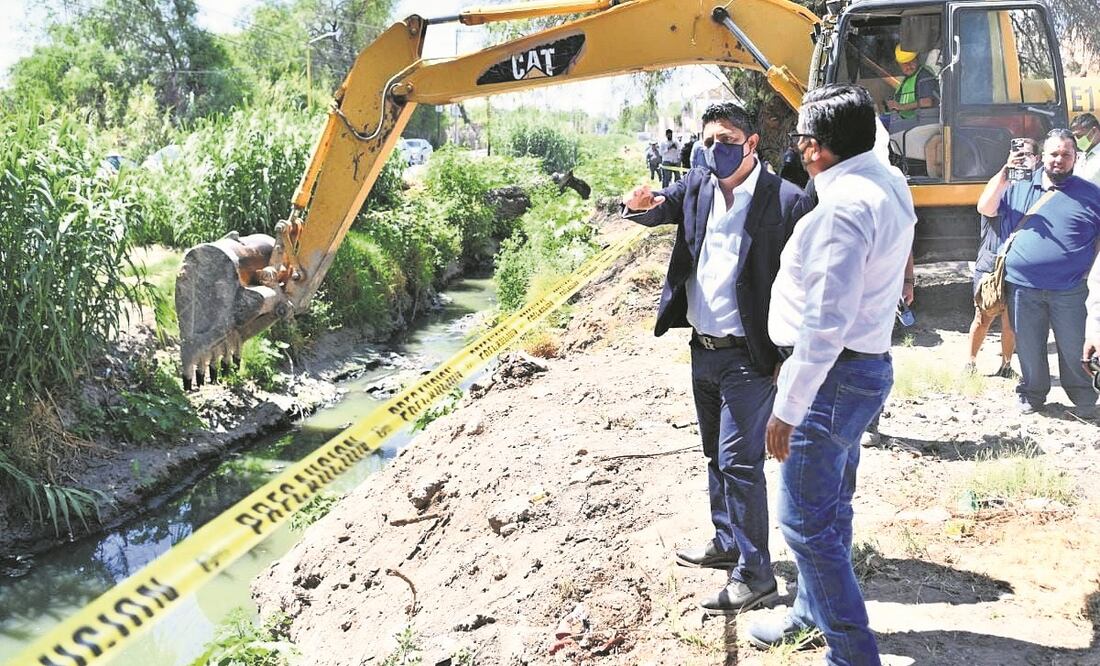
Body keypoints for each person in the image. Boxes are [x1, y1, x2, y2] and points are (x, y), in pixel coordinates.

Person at [620, 102, 813, 616]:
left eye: (726, 139)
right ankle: (727, 541)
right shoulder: (701, 185)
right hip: (702, 348)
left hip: (751, 356)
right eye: (707, 140)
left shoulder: (786, 200)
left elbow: (805, 282)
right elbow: (661, 205)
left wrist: (788, 355)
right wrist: (639, 203)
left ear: (751, 143)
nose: (713, 149)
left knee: (739, 462)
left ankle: (756, 575)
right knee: (715, 454)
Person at [750, 83, 916, 665]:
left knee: (805, 525)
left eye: (800, 140)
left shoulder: (842, 209)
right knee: (831, 507)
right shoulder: (886, 181)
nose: (796, 150)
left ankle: (851, 655)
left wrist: (788, 407)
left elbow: (825, 324)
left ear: (815, 149)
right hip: (860, 372)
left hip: (829, 379)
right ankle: (808, 616)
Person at [976, 129, 1100, 416]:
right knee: (1029, 346)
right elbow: (986, 207)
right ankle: (1032, 394)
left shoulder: (1091, 194)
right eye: (1053, 154)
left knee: (1073, 346)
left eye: (1066, 155)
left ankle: (1083, 397)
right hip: (1022, 287)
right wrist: (1005, 172)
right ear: (1042, 156)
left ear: (1075, 157)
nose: (1059, 160)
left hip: (1070, 289)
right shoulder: (1018, 185)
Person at [968, 138, 1039, 376]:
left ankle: (1006, 366)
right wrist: (1006, 171)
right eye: (1017, 153)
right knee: (983, 316)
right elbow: (985, 207)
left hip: (1019, 264)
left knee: (1012, 323)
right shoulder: (999, 181)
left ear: (1037, 159)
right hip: (991, 262)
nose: (1021, 158)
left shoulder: (1039, 188)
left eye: (1027, 154)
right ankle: (971, 363)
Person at [884, 44, 938, 120]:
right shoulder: (907, 79)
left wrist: (901, 107)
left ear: (917, 59)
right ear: (898, 64)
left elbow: (927, 102)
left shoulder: (924, 76)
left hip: (920, 122)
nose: (908, 66)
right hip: (906, 120)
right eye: (904, 64)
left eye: (911, 62)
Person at [1070, 113, 1100, 186]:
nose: (1077, 140)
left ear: (1094, 131)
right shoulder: (1084, 155)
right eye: (1074, 137)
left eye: (1079, 136)